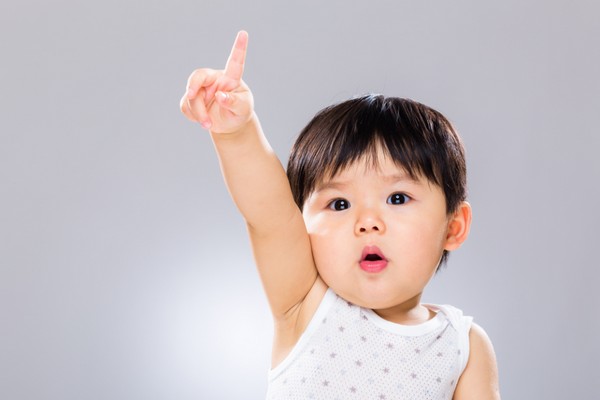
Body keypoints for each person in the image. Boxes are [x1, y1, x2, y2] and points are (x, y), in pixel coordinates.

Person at [180, 31, 500, 399]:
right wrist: (236, 132)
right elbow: (267, 213)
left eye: (397, 198)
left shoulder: (462, 345)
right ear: (303, 224)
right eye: (340, 204)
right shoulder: (305, 302)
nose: (367, 222)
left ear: (453, 227)